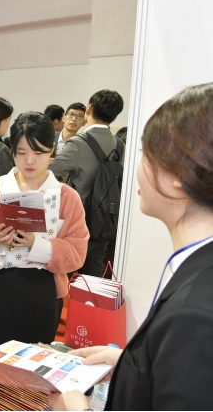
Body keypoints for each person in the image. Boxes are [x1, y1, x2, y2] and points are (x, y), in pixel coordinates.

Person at [50, 82, 213, 411]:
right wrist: (133, 363)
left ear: (176, 177)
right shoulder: (197, 267)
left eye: (146, 155)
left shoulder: (194, 315)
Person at [0, 111, 89, 389]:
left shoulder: (66, 197)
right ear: (12, 151)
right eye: (21, 153)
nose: (30, 161)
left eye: (39, 152)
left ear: (52, 150)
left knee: (32, 375)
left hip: (40, 293)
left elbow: (77, 252)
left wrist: (36, 244)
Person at [49, 90, 124, 278]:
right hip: (104, 221)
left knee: (64, 273)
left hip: (76, 221)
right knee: (92, 276)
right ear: (115, 117)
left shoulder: (78, 143)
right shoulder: (119, 145)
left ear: (89, 109)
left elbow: (51, 172)